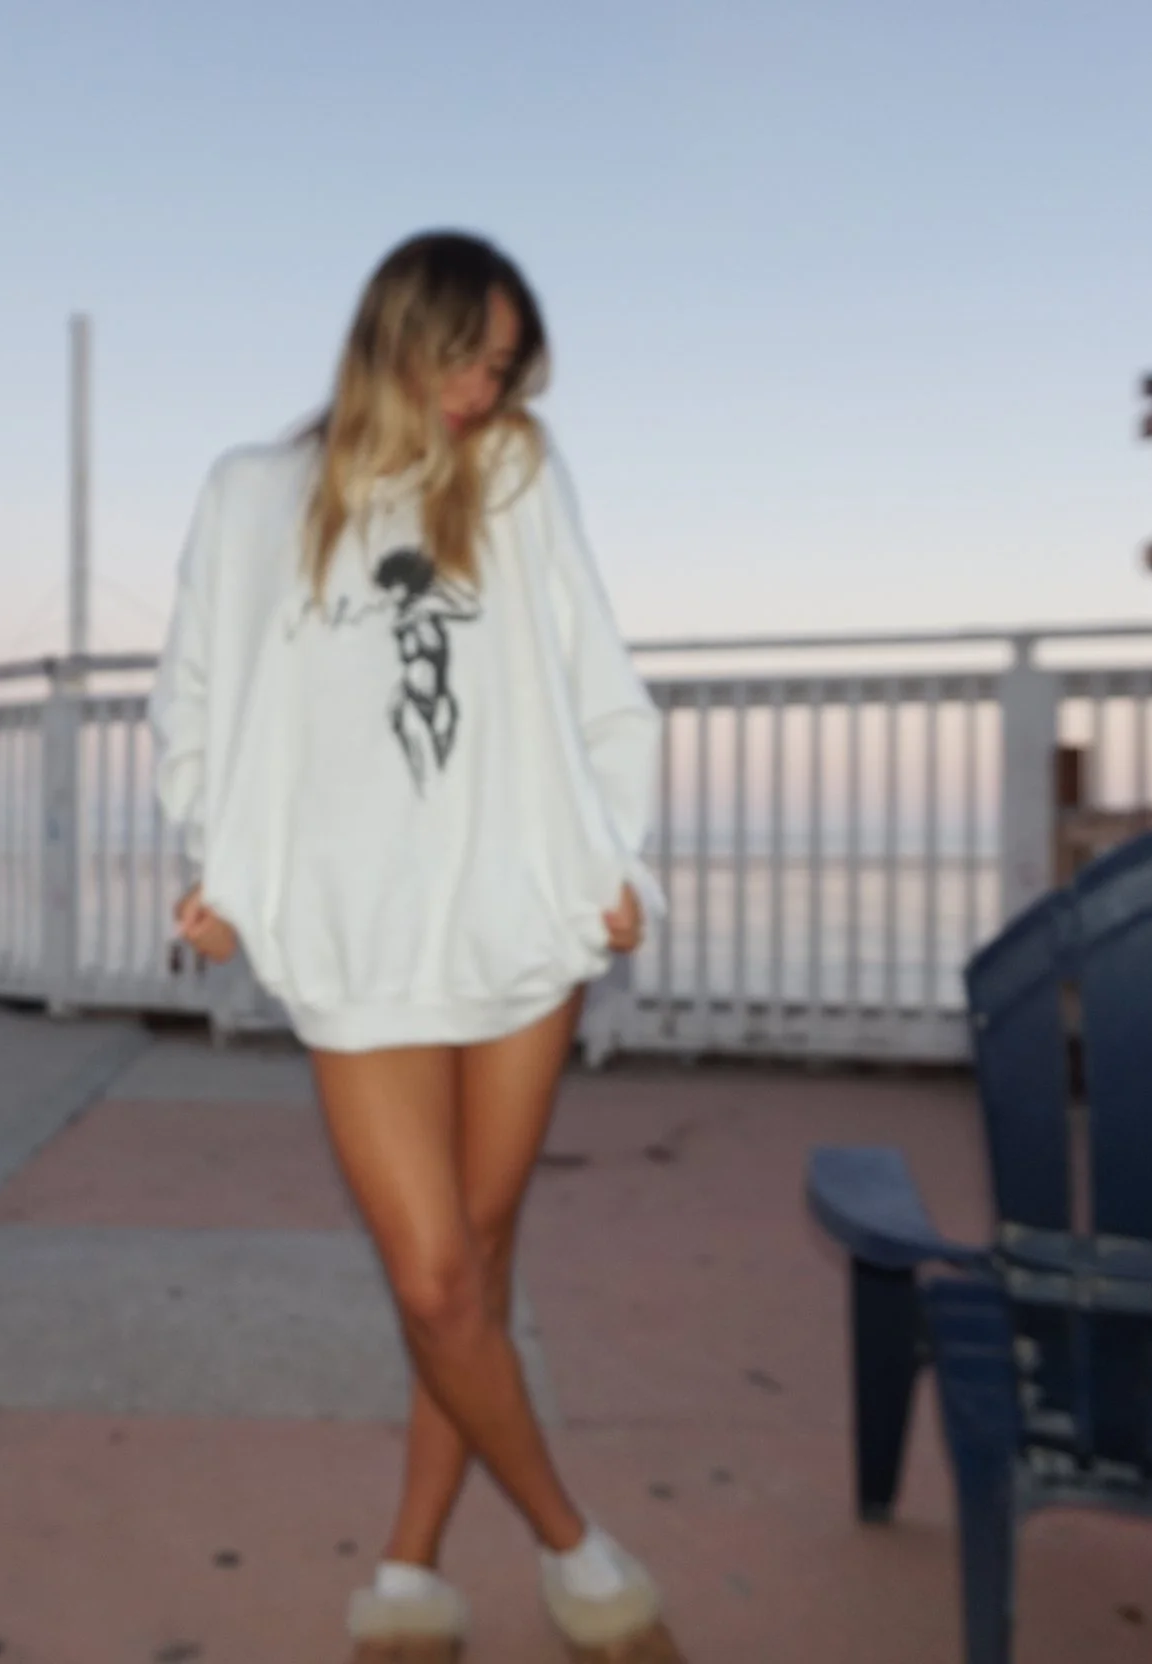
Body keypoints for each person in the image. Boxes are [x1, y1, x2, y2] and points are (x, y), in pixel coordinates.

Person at [148, 230, 682, 1664]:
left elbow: (596, 678)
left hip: (518, 910)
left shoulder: (511, 474)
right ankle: (583, 1563)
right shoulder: (255, 495)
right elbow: (195, 701)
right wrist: (223, 867)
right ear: (399, 334)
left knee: (481, 1261)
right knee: (438, 1279)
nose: (480, 393)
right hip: (354, 932)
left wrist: (623, 861)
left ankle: (407, 1575)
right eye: (467, 359)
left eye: (502, 369)